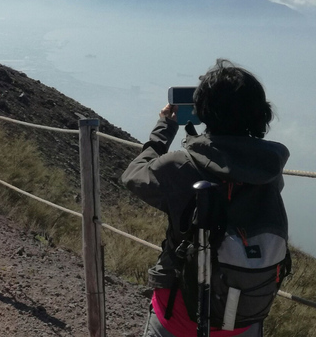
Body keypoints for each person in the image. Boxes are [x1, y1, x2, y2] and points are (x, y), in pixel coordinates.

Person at [122, 59, 289, 337]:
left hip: (179, 315)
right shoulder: (269, 167)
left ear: (202, 110)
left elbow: (134, 176)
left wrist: (165, 126)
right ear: (261, 113)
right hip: (245, 315)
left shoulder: (180, 165)